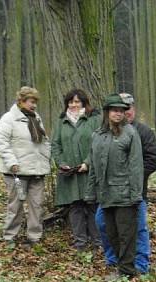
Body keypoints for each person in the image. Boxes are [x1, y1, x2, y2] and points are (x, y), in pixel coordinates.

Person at [95, 92, 156, 273]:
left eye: (127, 108)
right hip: (109, 192)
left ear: (133, 109)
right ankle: (113, 258)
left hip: (135, 192)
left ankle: (140, 264)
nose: (125, 112)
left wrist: (131, 180)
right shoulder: (103, 133)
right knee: (103, 223)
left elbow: (151, 162)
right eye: (119, 109)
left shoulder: (143, 132)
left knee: (137, 228)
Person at [85, 94, 143, 280]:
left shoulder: (130, 133)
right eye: (114, 110)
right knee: (111, 233)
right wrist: (90, 192)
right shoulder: (97, 135)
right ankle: (120, 267)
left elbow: (136, 166)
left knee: (126, 234)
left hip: (125, 193)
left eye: (121, 111)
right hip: (105, 193)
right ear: (107, 112)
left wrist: (136, 194)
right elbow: (93, 166)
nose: (118, 114)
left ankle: (127, 271)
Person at [0, 86, 51, 246]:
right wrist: (12, 162)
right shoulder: (8, 119)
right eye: (31, 102)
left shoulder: (36, 118)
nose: (34, 105)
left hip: (37, 171)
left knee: (36, 206)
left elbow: (44, 142)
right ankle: (9, 236)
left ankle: (34, 237)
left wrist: (46, 158)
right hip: (16, 172)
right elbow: (1, 143)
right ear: (21, 101)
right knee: (16, 206)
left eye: (35, 102)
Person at [51, 89, 101, 251]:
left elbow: (99, 144)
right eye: (71, 102)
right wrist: (61, 163)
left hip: (89, 172)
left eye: (77, 101)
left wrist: (88, 163)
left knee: (92, 205)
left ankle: (97, 241)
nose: (73, 105)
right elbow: (55, 145)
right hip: (70, 173)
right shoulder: (61, 122)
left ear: (84, 103)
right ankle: (80, 242)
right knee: (75, 207)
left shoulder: (93, 120)